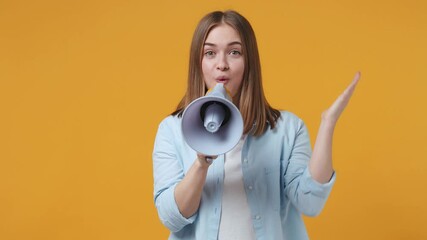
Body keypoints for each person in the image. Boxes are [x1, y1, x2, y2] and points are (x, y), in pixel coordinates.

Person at [153, 10, 360, 240]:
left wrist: (327, 124)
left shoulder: (287, 130)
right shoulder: (171, 130)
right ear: (198, 62)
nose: (222, 64)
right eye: (210, 53)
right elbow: (171, 217)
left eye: (234, 52)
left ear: (249, 61)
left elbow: (310, 202)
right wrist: (201, 163)